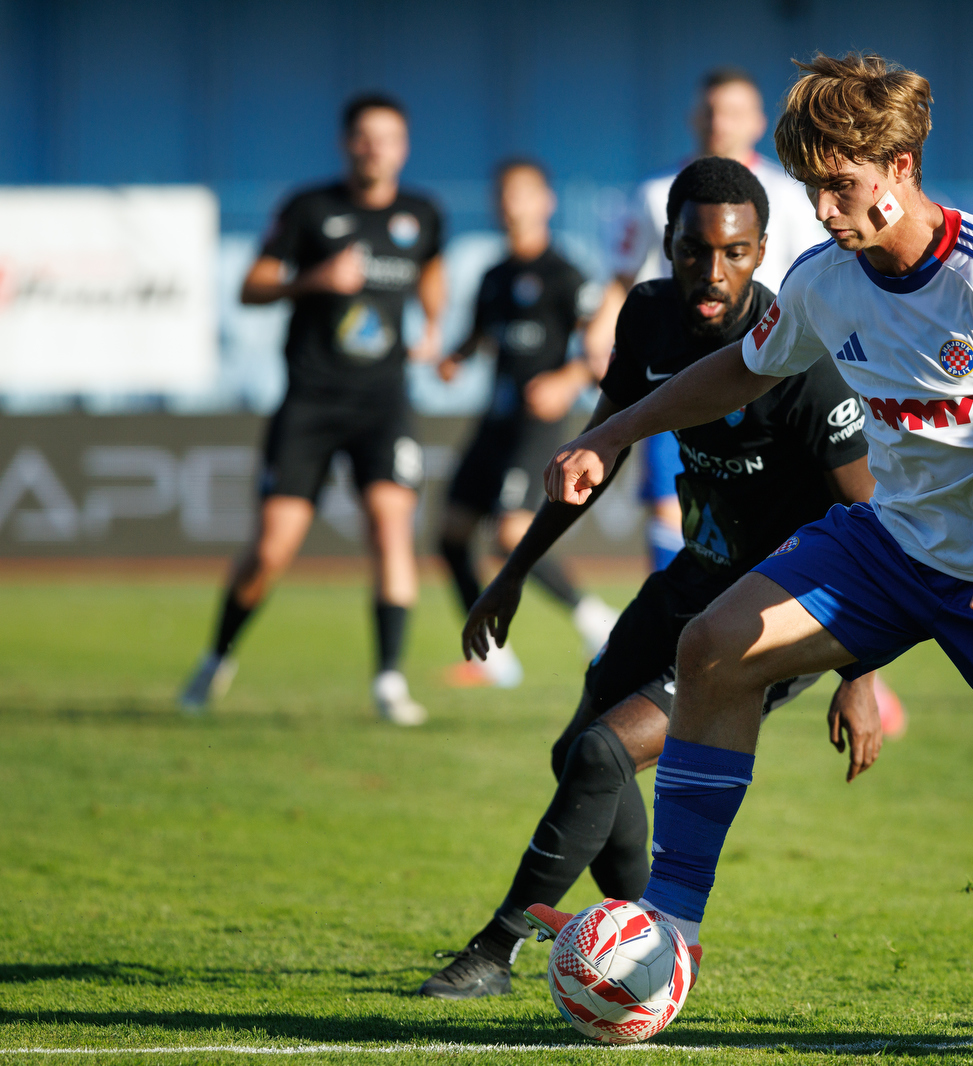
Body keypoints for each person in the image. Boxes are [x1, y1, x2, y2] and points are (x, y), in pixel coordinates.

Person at [536, 54, 973, 1035]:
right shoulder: (825, 279)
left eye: (842, 184)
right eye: (812, 187)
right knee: (711, 645)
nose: (825, 208)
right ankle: (673, 927)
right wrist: (610, 431)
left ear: (901, 166)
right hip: (891, 545)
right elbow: (738, 374)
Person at [426, 157, 882, 999]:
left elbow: (868, 524)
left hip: (772, 618)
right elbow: (598, 448)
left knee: (603, 753)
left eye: (736, 253)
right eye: (694, 252)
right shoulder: (648, 319)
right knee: (578, 755)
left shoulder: (802, 360)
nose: (714, 274)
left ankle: (495, 950)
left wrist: (860, 672)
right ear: (666, 245)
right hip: (691, 578)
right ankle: (649, 945)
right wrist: (514, 572)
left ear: (763, 250)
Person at [179, 92, 445, 726]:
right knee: (272, 548)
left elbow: (430, 272)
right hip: (310, 401)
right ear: (347, 143)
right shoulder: (309, 209)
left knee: (390, 523)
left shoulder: (423, 214)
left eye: (389, 137)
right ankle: (217, 655)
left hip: (382, 401)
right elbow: (251, 286)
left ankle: (388, 679)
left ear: (403, 148)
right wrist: (314, 280)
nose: (376, 147)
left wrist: (432, 323)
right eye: (365, 136)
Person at [585, 67, 825, 577]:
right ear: (695, 116)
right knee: (674, 505)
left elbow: (815, 285)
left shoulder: (788, 196)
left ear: (759, 122)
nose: (720, 122)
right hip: (674, 368)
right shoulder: (655, 193)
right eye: (711, 110)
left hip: (767, 375)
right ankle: (677, 619)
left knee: (787, 509)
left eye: (733, 111)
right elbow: (622, 277)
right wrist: (598, 334)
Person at [435, 159, 617, 686]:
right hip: (495, 420)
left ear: (545, 202)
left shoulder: (566, 274)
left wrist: (568, 378)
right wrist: (455, 357)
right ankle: (492, 656)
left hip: (537, 424)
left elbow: (602, 349)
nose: (510, 203)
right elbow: (478, 336)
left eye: (521, 193)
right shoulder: (494, 276)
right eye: (503, 194)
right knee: (450, 536)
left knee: (509, 532)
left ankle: (594, 619)